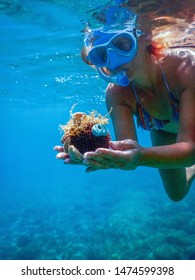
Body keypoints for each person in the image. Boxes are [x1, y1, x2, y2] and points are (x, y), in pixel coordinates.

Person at [54, 4, 195, 202]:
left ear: (145, 36)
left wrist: (143, 155)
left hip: (188, 137)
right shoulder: (117, 94)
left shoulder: (186, 69)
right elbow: (126, 152)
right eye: (103, 55)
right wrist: (95, 153)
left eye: (123, 44)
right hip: (166, 128)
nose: (115, 62)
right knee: (176, 193)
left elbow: (188, 149)